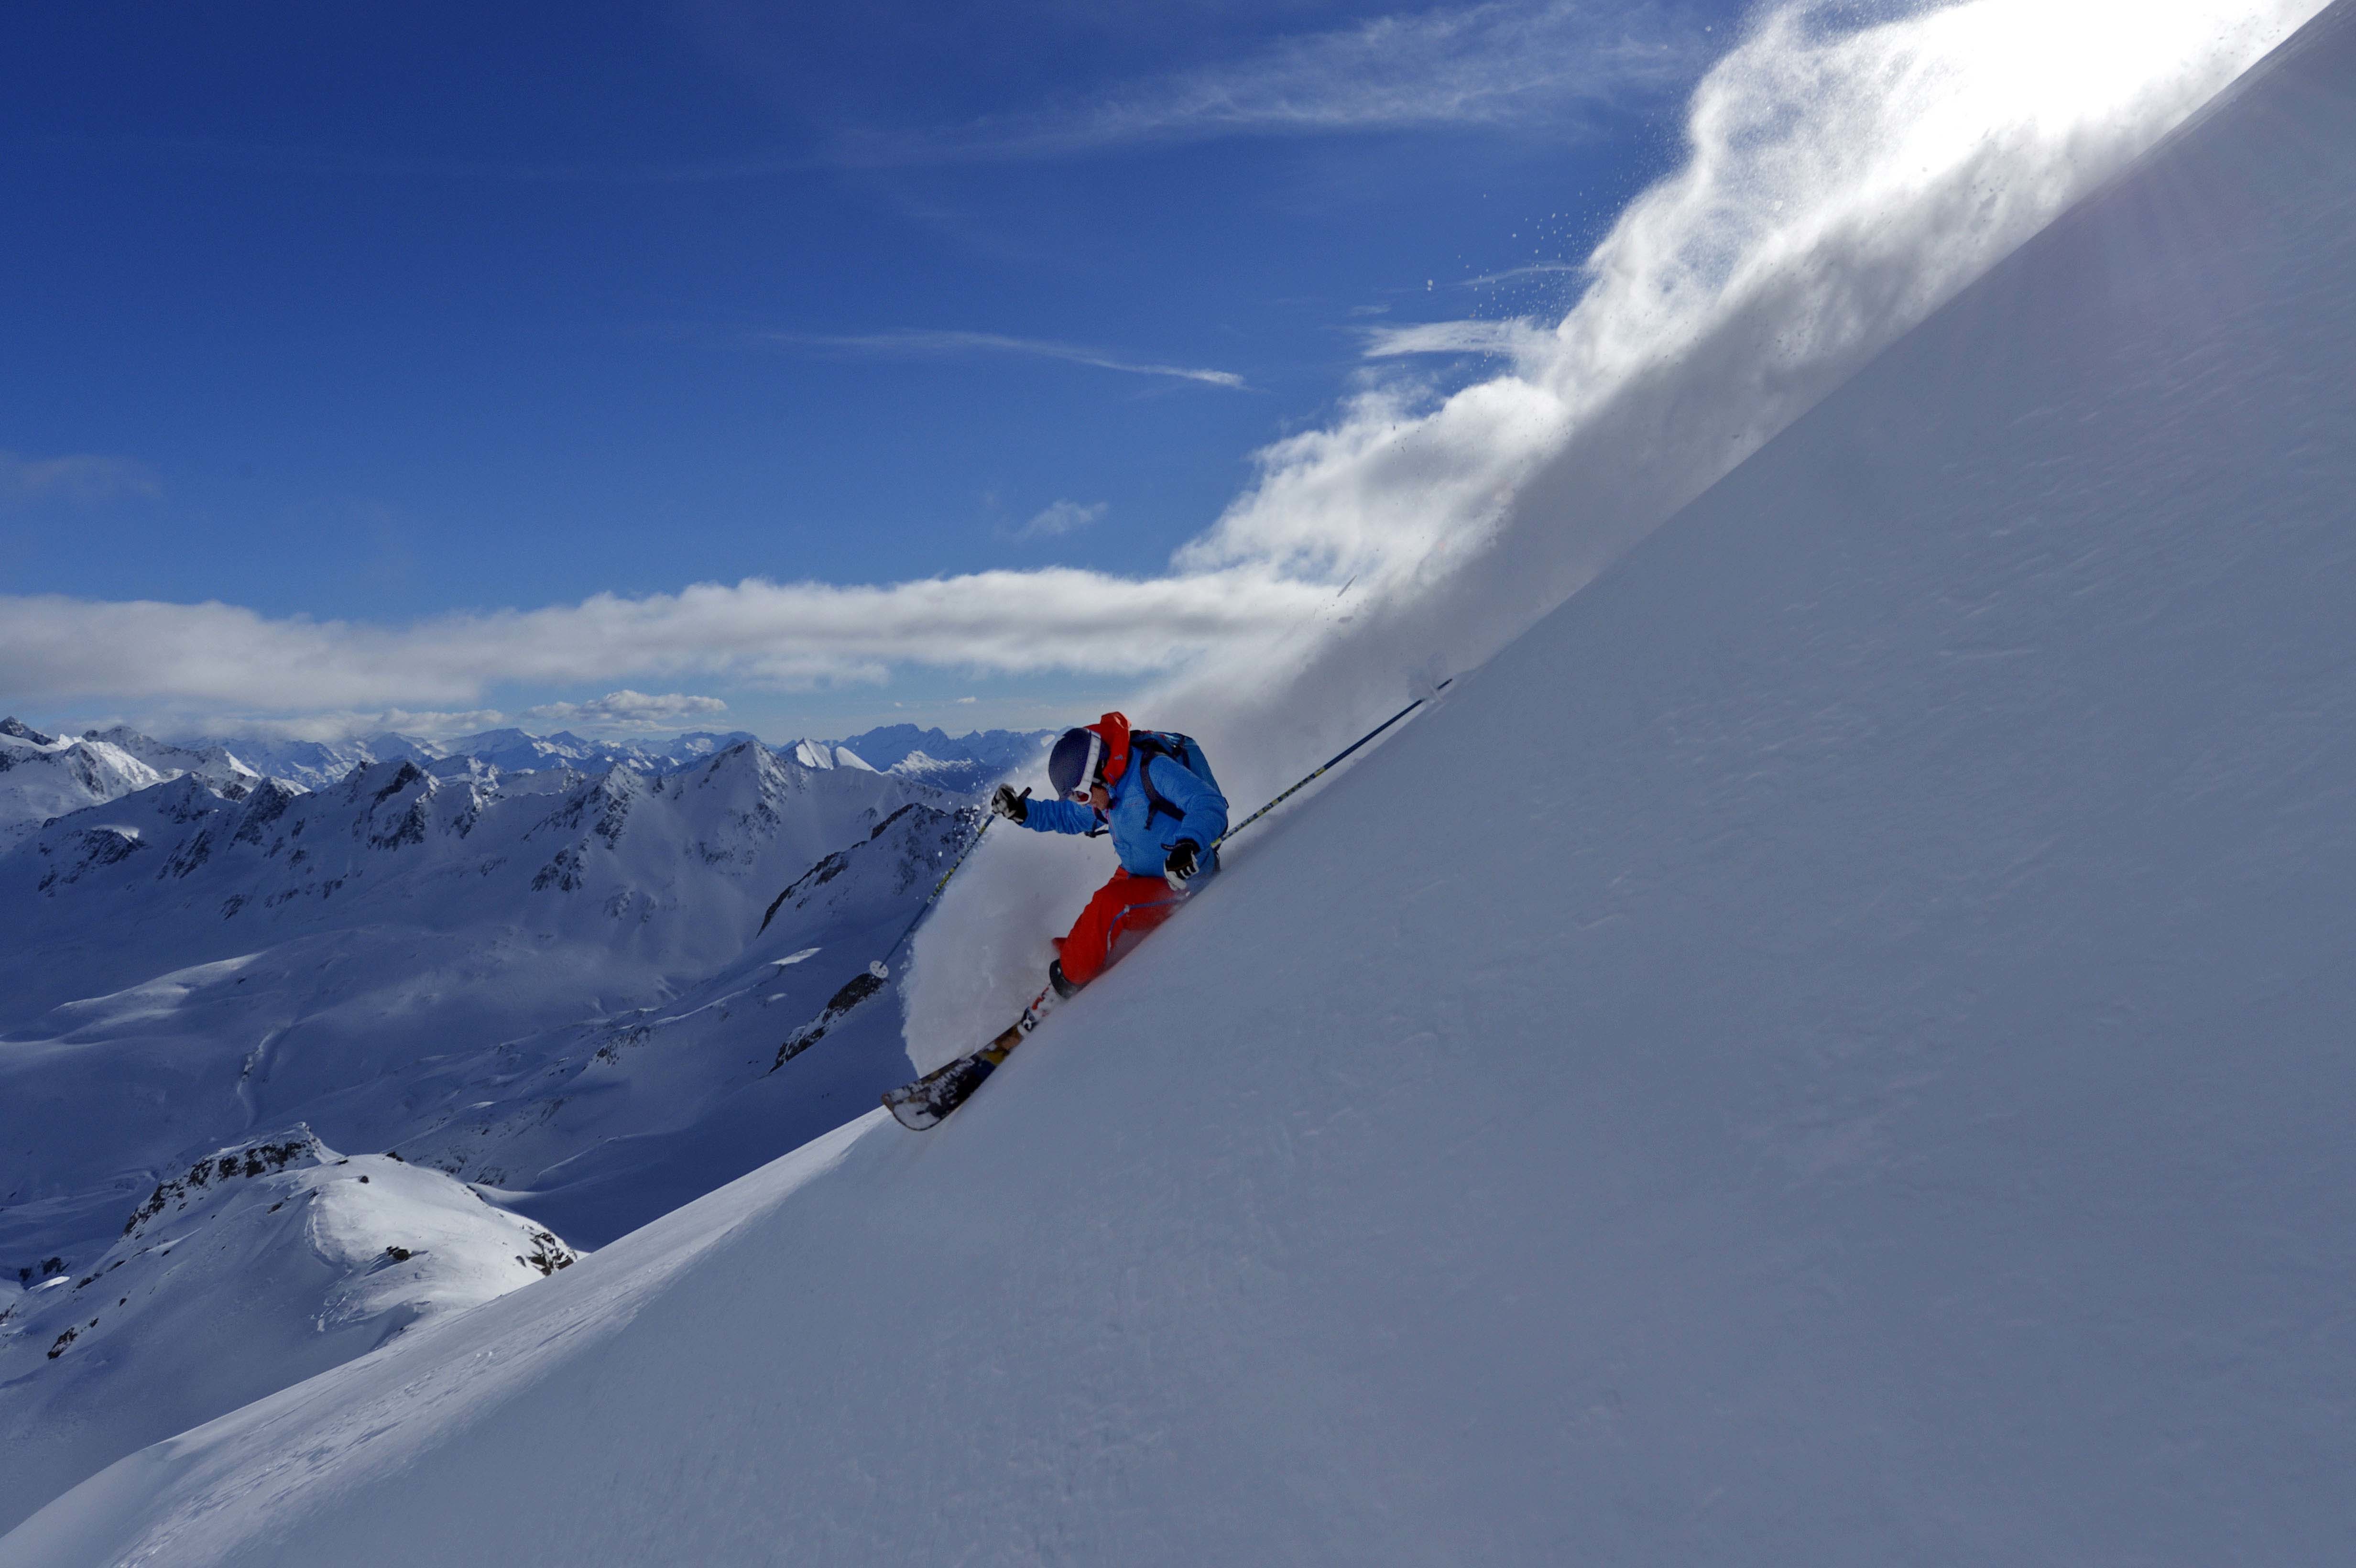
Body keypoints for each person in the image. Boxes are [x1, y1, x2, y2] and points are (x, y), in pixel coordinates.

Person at [990, 710, 1226, 1016]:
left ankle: (1066, 984)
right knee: (1096, 914)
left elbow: (1207, 803)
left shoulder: (1152, 771)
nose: (1082, 802)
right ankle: (1079, 956)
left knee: (1110, 905)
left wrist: (1189, 845)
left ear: (1099, 771)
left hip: (1181, 880)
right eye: (1075, 797)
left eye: (1082, 794)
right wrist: (1022, 811)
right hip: (1137, 874)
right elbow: (1067, 817)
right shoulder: (1106, 791)